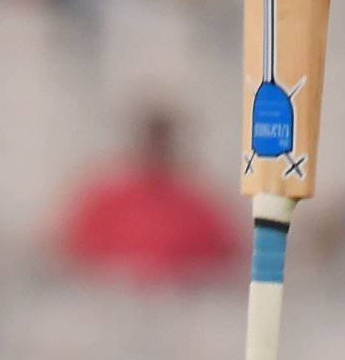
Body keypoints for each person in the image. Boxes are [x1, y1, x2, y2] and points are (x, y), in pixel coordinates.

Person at [60, 109, 239, 285]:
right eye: (152, 138)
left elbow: (227, 262)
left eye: (162, 139)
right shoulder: (105, 203)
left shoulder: (199, 208)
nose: (157, 147)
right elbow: (69, 256)